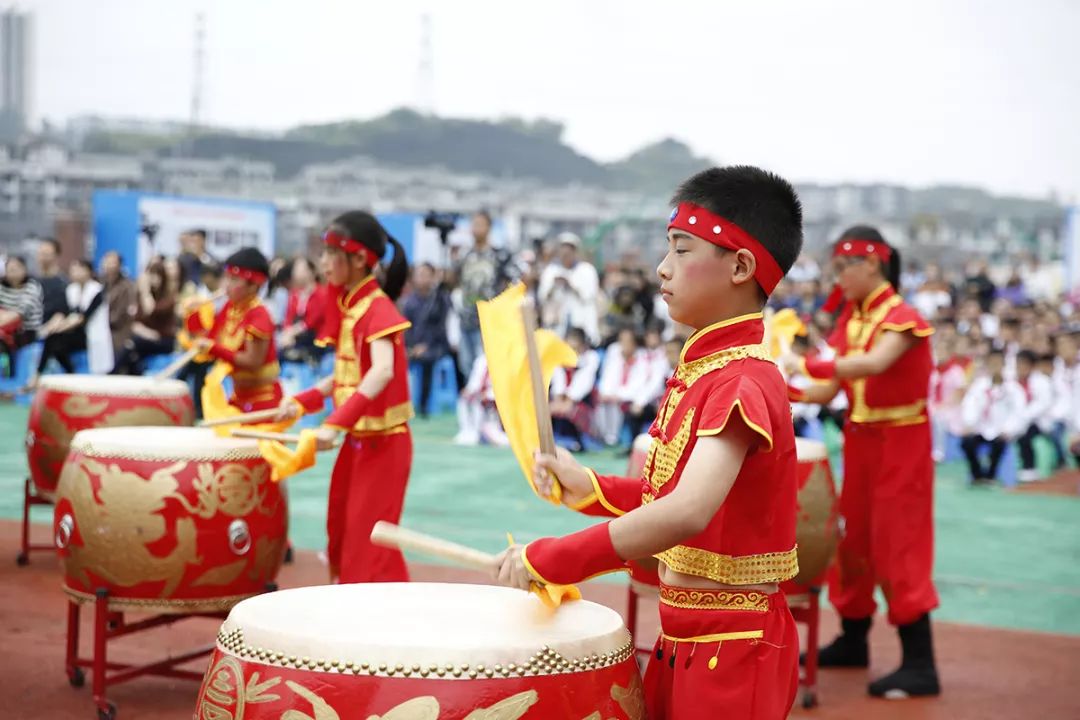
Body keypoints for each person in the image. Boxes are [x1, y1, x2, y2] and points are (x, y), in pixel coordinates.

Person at [494, 166, 804, 720]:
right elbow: (670, 497)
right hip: (685, 638)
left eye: (682, 250)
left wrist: (558, 557)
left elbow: (686, 511)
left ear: (740, 266)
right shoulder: (706, 371)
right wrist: (588, 486)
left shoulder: (741, 380)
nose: (663, 268)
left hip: (733, 652)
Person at [789, 225, 940, 698]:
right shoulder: (851, 321)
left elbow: (873, 365)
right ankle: (853, 638)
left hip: (901, 443)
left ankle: (921, 663)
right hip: (861, 439)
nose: (838, 281)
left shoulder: (902, 317)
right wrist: (782, 386)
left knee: (898, 544)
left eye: (841, 269)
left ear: (870, 264)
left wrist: (809, 365)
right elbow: (829, 390)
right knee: (851, 540)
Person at [279, 211, 413, 584]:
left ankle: (389, 626)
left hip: (385, 445)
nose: (322, 263)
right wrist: (302, 401)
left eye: (330, 254)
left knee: (369, 545)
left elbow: (382, 371)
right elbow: (345, 374)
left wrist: (335, 420)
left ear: (359, 259)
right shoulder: (351, 307)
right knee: (342, 529)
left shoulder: (378, 308)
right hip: (359, 442)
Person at [186, 248, 282, 413]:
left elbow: (252, 361)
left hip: (263, 401)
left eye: (234, 279)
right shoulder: (230, 309)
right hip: (238, 398)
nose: (226, 285)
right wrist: (193, 315)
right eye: (226, 277)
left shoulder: (259, 315)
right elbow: (207, 342)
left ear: (253, 286)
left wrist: (213, 348)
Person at [451, 211, 518, 379]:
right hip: (466, 318)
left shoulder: (500, 254)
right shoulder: (465, 255)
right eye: (473, 225)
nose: (476, 229)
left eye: (480, 224)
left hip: (490, 320)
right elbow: (453, 280)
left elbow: (515, 281)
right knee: (466, 366)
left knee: (486, 366)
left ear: (489, 228)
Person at [32, 259, 112, 381]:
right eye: (73, 270)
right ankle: (68, 374)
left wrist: (59, 328)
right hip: (74, 333)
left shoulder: (97, 291)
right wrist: (51, 327)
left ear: (88, 271)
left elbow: (82, 318)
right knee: (53, 342)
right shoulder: (71, 290)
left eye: (79, 269)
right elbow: (63, 312)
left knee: (54, 339)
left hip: (90, 335)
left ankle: (40, 376)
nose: (74, 273)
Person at [960, 349, 1026, 483]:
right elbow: (969, 405)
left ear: (1003, 365)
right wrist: (969, 423)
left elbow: (1019, 412)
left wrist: (1009, 429)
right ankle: (977, 474)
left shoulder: (1013, 389)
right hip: (981, 428)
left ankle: (991, 475)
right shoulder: (979, 386)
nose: (995, 367)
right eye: (992, 363)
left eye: (998, 363)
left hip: (1002, 430)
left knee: (999, 444)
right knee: (967, 442)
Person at [401, 262, 451, 417]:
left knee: (427, 360)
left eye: (426, 274)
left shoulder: (440, 300)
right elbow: (405, 328)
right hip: (413, 347)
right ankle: (400, 405)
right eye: (419, 274)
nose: (422, 278)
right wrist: (411, 347)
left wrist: (426, 346)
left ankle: (424, 406)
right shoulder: (409, 302)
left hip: (436, 346)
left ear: (432, 277)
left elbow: (441, 328)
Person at [110, 261, 178, 375]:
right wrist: (147, 333)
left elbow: (150, 310)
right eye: (151, 275)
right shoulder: (142, 298)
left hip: (164, 340)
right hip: (147, 338)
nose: (154, 279)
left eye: (157, 275)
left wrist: (145, 290)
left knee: (134, 343)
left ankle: (113, 373)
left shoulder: (169, 297)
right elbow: (136, 324)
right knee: (133, 356)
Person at [538, 232, 601, 344]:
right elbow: (542, 297)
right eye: (563, 250)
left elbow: (589, 296)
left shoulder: (587, 270)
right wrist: (554, 285)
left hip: (581, 322)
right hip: (558, 324)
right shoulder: (551, 271)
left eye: (569, 250)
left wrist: (570, 285)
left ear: (575, 252)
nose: (566, 254)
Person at [550, 326, 601, 452]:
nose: (571, 351)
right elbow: (558, 380)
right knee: (545, 409)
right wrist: (557, 401)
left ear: (583, 346)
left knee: (570, 411)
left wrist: (568, 402)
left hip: (583, 403)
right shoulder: (560, 359)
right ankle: (556, 440)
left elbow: (584, 383)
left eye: (575, 348)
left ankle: (581, 440)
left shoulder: (591, 358)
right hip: (563, 400)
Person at [1014, 349, 1055, 481]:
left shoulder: (1042, 381)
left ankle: (1029, 468)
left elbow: (1043, 404)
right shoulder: (1012, 382)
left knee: (1025, 436)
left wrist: (1024, 416)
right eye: (1018, 364)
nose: (1021, 367)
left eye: (1024, 364)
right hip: (1018, 421)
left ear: (1032, 366)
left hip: (1039, 422)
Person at [279, 257, 329, 365]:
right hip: (296, 338)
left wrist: (291, 333)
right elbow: (288, 317)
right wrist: (287, 332)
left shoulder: (322, 293)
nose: (297, 273)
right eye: (296, 269)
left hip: (315, 339)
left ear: (312, 272)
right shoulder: (294, 295)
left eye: (301, 269)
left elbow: (312, 321)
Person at [0, 256, 43, 377]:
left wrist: (5, 317)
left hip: (26, 332)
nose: (12, 272)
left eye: (16, 269)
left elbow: (19, 313)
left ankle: (9, 377)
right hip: (4, 331)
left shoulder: (32, 286)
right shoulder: (2, 287)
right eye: (10, 269)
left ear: (24, 269)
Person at [99, 251, 137, 362]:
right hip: (98, 329)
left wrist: (104, 323)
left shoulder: (126, 286)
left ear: (119, 265)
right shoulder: (99, 283)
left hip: (118, 330)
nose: (108, 265)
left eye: (112, 262)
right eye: (106, 261)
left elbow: (121, 314)